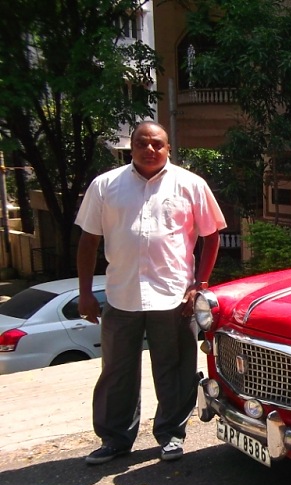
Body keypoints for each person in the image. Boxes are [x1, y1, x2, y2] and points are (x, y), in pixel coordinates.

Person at [75, 121, 227, 465]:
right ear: (132, 146)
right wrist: (85, 293)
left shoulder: (190, 184)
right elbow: (88, 240)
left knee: (174, 368)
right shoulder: (105, 185)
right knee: (116, 372)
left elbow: (212, 235)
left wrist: (199, 285)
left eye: (157, 144)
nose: (150, 149)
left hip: (173, 297)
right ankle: (115, 439)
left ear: (168, 148)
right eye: (142, 143)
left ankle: (171, 434)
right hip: (120, 295)